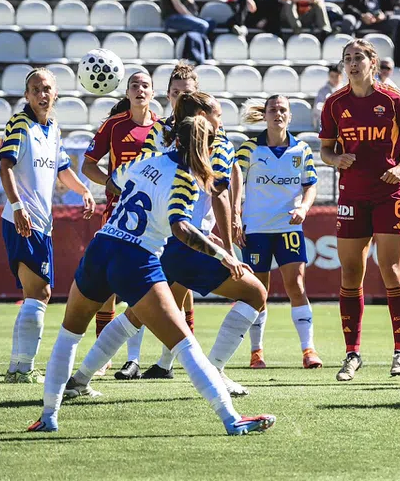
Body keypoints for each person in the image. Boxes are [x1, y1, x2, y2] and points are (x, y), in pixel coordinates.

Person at [28, 115, 275, 436]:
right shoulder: (186, 178)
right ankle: (231, 419)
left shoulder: (145, 159)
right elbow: (181, 228)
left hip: (101, 247)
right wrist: (223, 254)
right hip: (136, 258)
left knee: (69, 334)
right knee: (184, 344)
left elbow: (113, 183)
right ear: (205, 146)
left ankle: (48, 415)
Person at [67, 92, 256, 399]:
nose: (221, 123)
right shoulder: (216, 143)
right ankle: (216, 372)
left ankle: (81, 378)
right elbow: (219, 193)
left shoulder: (162, 134)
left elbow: (128, 176)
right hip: (186, 240)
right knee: (254, 292)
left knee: (139, 314)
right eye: (218, 116)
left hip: (153, 240)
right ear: (201, 117)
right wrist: (227, 252)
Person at [319, 39, 400, 381]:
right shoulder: (334, 104)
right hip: (352, 195)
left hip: (390, 193)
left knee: (392, 270)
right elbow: (326, 151)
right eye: (347, 58)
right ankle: (351, 354)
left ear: (372, 63)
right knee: (350, 273)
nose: (351, 63)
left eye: (358, 58)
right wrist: (337, 159)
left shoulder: (394, 101)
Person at [137, 65, 242, 380]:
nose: (180, 98)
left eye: (186, 92)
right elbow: (143, 166)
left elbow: (222, 187)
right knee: (153, 302)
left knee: (158, 301)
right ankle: (172, 364)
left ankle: (174, 364)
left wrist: (226, 230)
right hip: (159, 229)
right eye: (175, 92)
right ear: (168, 95)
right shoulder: (160, 131)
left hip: (192, 232)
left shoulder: (214, 133)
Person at [0, 68, 96, 384]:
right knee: (40, 293)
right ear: (27, 95)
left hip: (41, 224)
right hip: (22, 221)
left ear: (55, 95)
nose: (42, 94)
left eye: (47, 89)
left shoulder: (53, 129)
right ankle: (23, 368)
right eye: (36, 89)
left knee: (38, 294)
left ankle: (18, 368)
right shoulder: (19, 124)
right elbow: (5, 167)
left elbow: (62, 169)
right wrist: (17, 208)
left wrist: (83, 190)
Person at [80, 71, 158, 381]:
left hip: (153, 219)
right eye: (135, 85)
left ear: (153, 93)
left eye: (146, 85)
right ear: (127, 92)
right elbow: (87, 164)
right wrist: (109, 182)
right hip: (116, 215)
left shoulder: (162, 128)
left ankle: (137, 359)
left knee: (143, 288)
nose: (140, 90)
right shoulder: (113, 126)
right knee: (107, 289)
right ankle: (103, 356)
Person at [235, 96, 322, 369]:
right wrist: (236, 217)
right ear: (265, 115)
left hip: (288, 227)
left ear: (290, 116)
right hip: (256, 228)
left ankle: (309, 350)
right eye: (273, 110)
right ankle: (256, 351)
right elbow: (235, 184)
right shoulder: (249, 149)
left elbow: (310, 185)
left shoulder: (302, 150)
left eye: (283, 110)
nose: (278, 114)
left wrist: (305, 208)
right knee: (257, 292)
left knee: (296, 286)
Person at [313, 62, 344, 128]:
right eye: (332, 76)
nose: (334, 79)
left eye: (337, 76)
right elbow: (318, 108)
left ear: (341, 76)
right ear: (329, 77)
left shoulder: (346, 90)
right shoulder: (323, 91)